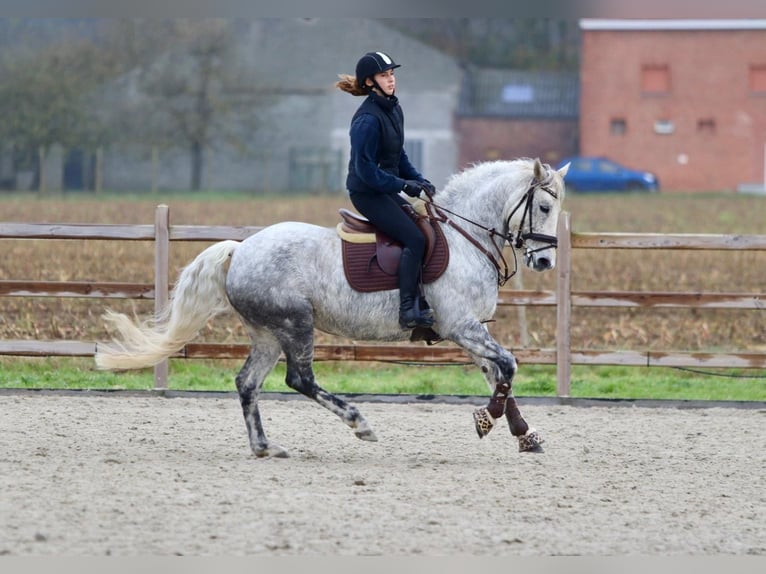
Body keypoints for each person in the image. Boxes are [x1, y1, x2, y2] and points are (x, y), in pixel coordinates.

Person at [336, 51, 437, 330]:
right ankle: (408, 310)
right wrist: (404, 185)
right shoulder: (367, 120)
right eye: (384, 75)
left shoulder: (393, 109)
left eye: (392, 74)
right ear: (370, 82)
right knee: (414, 239)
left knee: (426, 228)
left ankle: (420, 300)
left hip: (384, 188)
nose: (391, 79)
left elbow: (398, 155)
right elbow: (366, 171)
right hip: (367, 193)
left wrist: (418, 179)